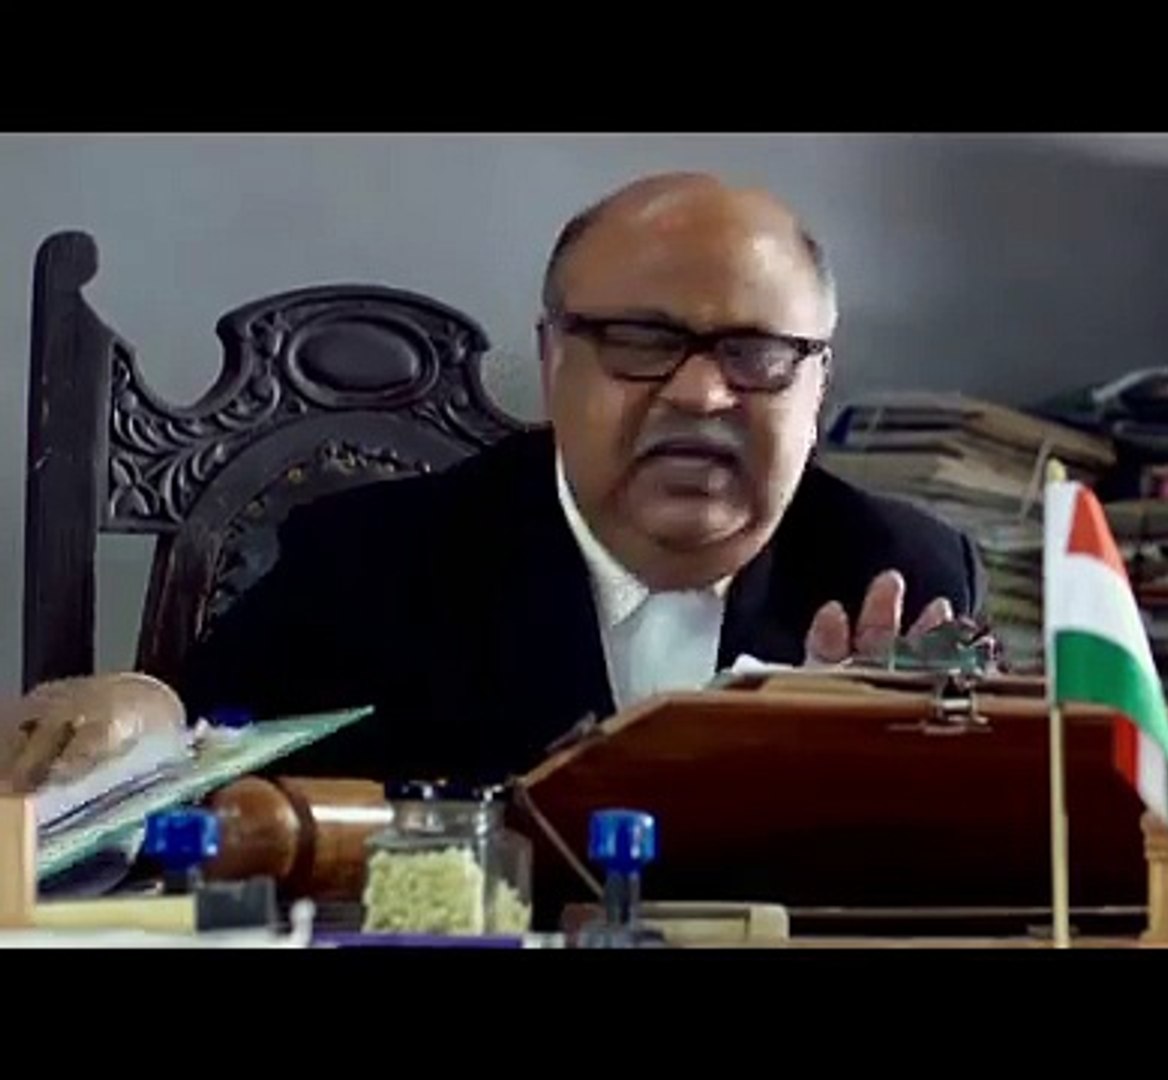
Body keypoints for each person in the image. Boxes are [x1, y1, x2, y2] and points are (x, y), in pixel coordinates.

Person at [173, 173, 984, 782]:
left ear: (818, 386)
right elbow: (188, 776)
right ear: (554, 361)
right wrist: (145, 717)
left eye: (757, 354)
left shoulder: (900, 579)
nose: (701, 394)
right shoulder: (369, 563)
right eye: (640, 341)